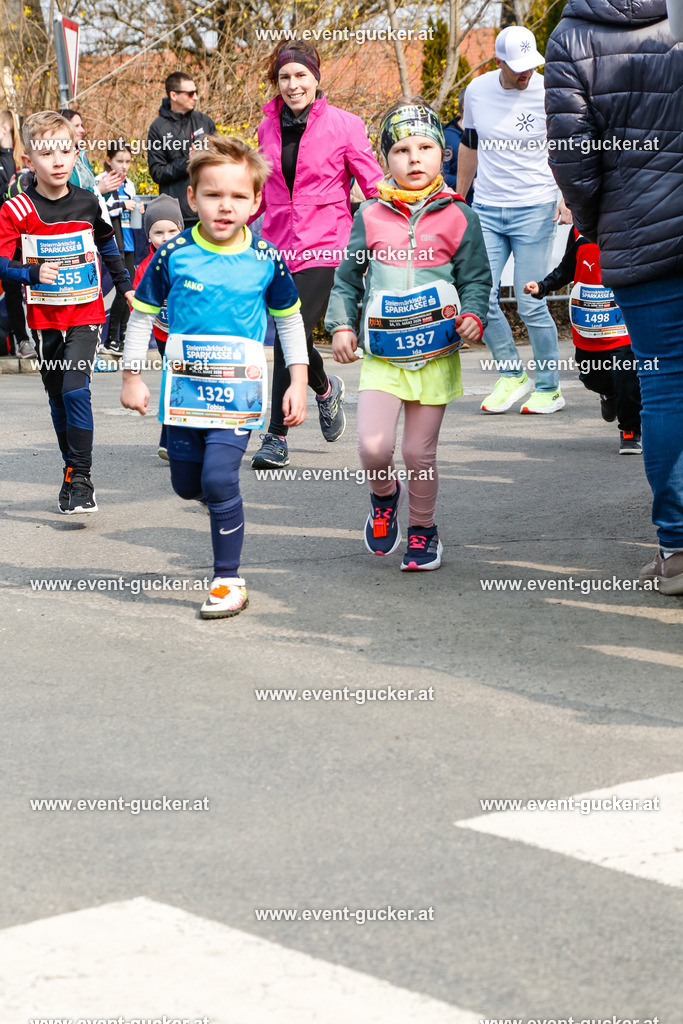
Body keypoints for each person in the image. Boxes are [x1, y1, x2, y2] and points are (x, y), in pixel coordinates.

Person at [120, 136, 308, 619]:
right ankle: (218, 505)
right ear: (192, 198)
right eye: (213, 195)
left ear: (257, 201)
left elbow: (288, 320)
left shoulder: (267, 258)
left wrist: (298, 379)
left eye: (238, 196)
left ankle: (228, 579)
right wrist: (132, 377)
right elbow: (140, 317)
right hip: (183, 394)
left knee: (220, 477)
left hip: (238, 397)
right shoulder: (172, 254)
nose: (225, 206)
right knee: (188, 485)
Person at [545, 0, 683, 593]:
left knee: (665, 387)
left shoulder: (572, 36)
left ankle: (677, 550)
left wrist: (599, 225)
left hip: (640, 235)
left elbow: (574, 157)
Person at [326, 97, 491, 571]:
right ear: (386, 160)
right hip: (382, 354)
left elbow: (476, 278)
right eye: (400, 149)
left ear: (442, 153)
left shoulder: (461, 216)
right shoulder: (370, 215)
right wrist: (340, 324)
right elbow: (347, 278)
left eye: (424, 147)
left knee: (420, 451)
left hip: (436, 353)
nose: (413, 157)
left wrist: (474, 316)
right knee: (373, 447)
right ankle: (384, 496)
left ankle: (423, 529)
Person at [250, 39, 384, 470]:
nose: (293, 85)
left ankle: (276, 435)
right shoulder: (265, 128)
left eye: (301, 76)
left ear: (316, 78)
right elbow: (262, 193)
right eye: (285, 77)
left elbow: (372, 181)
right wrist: (223, 218)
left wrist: (404, 218)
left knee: (292, 327)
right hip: (276, 247)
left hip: (327, 245)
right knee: (294, 334)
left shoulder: (345, 125)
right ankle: (326, 388)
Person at [0, 111, 134, 514]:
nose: (57, 160)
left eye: (65, 150)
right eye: (45, 152)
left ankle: (82, 478)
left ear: (77, 153)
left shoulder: (89, 202)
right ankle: (69, 470)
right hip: (44, 320)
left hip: (87, 313)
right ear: (29, 161)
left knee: (77, 388)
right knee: (58, 397)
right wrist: (30, 272)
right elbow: (1, 262)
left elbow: (109, 247)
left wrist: (126, 289)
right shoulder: (16, 210)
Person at [457, 26, 570, 415]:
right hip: (487, 207)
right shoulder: (477, 91)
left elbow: (566, 147)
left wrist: (567, 198)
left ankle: (549, 387)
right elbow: (470, 145)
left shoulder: (549, 90)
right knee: (479, 297)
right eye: (517, 67)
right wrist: (459, 197)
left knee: (530, 299)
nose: (526, 73)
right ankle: (511, 374)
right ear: (499, 61)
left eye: (530, 66)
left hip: (535, 205)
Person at [524, 227, 642, 453]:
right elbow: (566, 269)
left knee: (626, 377)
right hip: (588, 329)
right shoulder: (579, 232)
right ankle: (609, 392)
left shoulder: (632, 229)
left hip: (622, 325)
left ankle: (630, 430)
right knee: (590, 376)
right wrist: (542, 287)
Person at [131, 193, 185, 460]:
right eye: (158, 232)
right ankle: (170, 436)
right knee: (172, 381)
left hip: (190, 336)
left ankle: (180, 434)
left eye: (173, 230)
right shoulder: (144, 268)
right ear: (148, 236)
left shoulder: (190, 262)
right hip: (164, 336)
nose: (166, 238)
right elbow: (139, 310)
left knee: (184, 381)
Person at [147, 72, 216, 228]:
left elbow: (220, 160)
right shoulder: (158, 128)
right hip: (176, 215)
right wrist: (188, 161)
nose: (196, 97)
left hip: (207, 209)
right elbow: (157, 172)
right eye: (190, 93)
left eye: (196, 92)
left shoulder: (205, 122)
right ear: (174, 95)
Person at [95, 141, 143, 354]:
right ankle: (110, 338)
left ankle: (122, 338)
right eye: (119, 161)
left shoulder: (130, 184)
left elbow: (131, 212)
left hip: (129, 237)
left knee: (130, 289)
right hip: (112, 240)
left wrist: (137, 208)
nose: (124, 166)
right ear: (108, 160)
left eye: (128, 161)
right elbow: (97, 208)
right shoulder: (100, 181)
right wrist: (122, 205)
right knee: (121, 289)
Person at [0, 109, 33, 358]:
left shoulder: (22, 158)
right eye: (5, 128)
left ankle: (42, 336)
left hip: (28, 231)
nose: (6, 134)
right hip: (6, 232)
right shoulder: (5, 157)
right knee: (11, 285)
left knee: (35, 281)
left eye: (10, 129)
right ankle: (22, 340)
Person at [441, 90, 474, 205]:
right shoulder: (446, 137)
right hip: (459, 205)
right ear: (465, 106)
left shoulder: (487, 134)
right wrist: (471, 184)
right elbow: (441, 176)